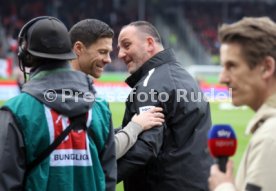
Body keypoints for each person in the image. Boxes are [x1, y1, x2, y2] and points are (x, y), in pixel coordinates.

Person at [0, 16, 116, 191]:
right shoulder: (101, 108)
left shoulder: (15, 111)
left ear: (27, 57)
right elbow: (108, 179)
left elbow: (7, 182)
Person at [117, 21, 213, 191]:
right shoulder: (186, 78)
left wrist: (102, 176)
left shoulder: (151, 84)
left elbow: (146, 147)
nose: (120, 54)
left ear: (149, 44)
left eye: (126, 45)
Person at [69, 19, 164, 159]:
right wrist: (135, 126)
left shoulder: (50, 89)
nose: (109, 59)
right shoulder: (81, 100)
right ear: (78, 48)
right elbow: (102, 153)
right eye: (102, 52)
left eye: (108, 53)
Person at [208, 17, 276, 191]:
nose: (222, 78)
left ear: (267, 67)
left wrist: (222, 187)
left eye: (232, 66)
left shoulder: (271, 136)